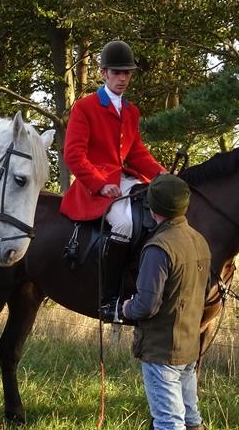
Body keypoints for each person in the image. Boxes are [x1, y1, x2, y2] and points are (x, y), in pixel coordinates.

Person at [120, 174, 210, 430]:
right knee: (190, 411)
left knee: (168, 420)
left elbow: (146, 305)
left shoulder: (159, 247)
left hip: (161, 347)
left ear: (153, 206)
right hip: (188, 343)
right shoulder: (199, 240)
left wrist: (125, 308)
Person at [58, 40, 166, 321]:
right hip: (93, 186)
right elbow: (73, 155)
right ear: (103, 73)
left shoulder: (131, 111)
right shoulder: (85, 107)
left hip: (124, 179)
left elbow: (137, 153)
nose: (122, 78)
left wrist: (162, 175)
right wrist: (99, 184)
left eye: (126, 73)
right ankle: (109, 300)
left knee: (155, 213)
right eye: (116, 72)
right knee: (125, 224)